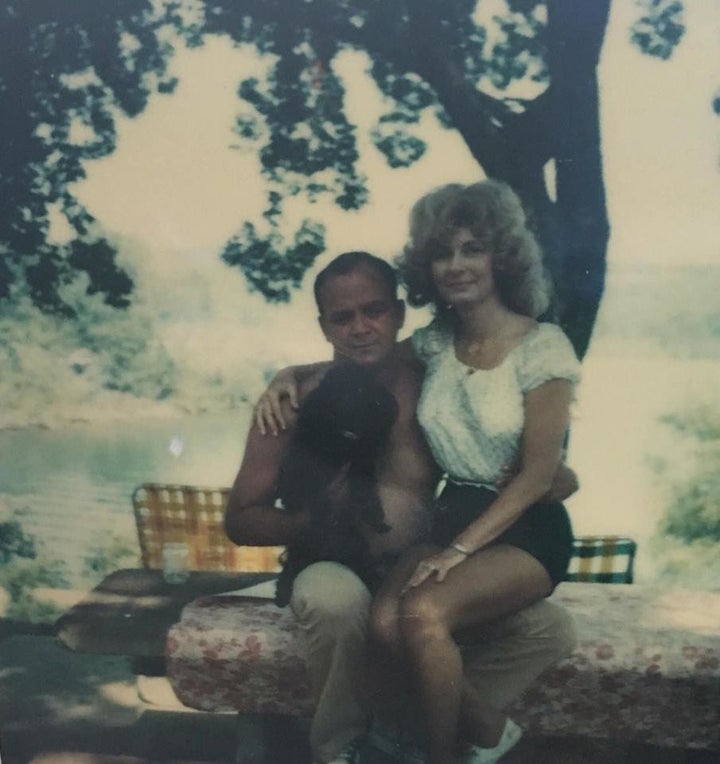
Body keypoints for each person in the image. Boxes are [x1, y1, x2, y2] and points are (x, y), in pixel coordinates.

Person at [227, 250, 577, 764]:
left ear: (398, 313)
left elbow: (522, 459)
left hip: (418, 565)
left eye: (374, 310)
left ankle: (403, 728)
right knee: (335, 600)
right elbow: (239, 520)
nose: (361, 328)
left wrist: (554, 477)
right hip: (333, 564)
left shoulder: (435, 379)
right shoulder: (296, 399)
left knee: (549, 629)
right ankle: (342, 747)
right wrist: (322, 521)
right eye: (342, 317)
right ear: (323, 325)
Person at [365, 180, 581, 764]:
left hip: (526, 529)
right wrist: (287, 375)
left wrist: (456, 553)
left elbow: (540, 477)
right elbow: (364, 362)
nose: (456, 265)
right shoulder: (436, 343)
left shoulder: (544, 347)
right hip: (453, 515)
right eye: (442, 253)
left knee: (423, 613)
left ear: (501, 257)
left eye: (472, 249)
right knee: (385, 623)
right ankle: (487, 729)